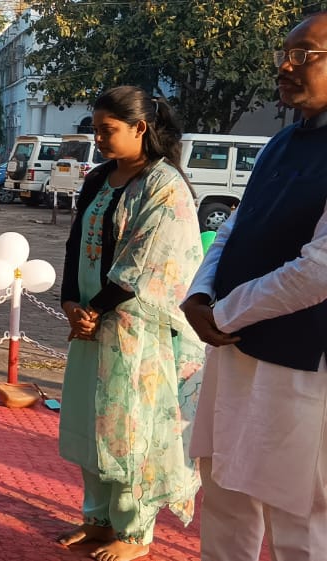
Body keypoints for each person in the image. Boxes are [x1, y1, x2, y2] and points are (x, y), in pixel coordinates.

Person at [182, 13, 327, 561]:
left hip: (302, 361)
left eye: (304, 54)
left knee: (299, 512)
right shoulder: (279, 142)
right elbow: (235, 226)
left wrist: (224, 313)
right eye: (283, 54)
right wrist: (201, 294)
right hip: (235, 348)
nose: (286, 67)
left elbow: (318, 270)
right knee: (224, 488)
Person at [55, 86, 203, 561]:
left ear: (140, 128)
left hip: (135, 330)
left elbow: (147, 262)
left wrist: (96, 310)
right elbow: (75, 243)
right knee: (89, 421)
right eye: (95, 129)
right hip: (90, 323)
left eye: (108, 130)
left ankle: (134, 532)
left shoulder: (164, 185)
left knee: (127, 428)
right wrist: (71, 303)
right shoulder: (99, 177)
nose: (98, 139)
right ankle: (97, 519)